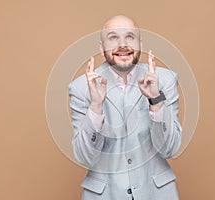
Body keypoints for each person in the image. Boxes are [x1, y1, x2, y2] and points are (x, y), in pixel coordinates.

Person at [68, 15, 182, 200]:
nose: (123, 44)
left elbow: (170, 149)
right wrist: (95, 107)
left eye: (130, 37)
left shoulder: (165, 80)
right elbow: (85, 158)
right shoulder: (81, 87)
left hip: (156, 193)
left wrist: (156, 100)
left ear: (140, 44)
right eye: (113, 37)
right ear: (101, 47)